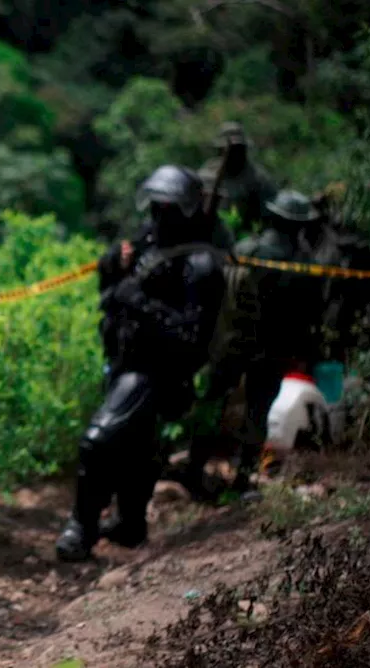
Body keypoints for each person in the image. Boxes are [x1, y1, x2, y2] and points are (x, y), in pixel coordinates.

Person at [56, 165, 227, 563]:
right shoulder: (148, 244)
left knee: (97, 442)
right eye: (155, 205)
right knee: (136, 449)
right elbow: (112, 294)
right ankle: (131, 525)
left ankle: (81, 529)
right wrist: (111, 267)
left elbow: (190, 338)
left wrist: (139, 301)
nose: (157, 215)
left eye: (166, 207)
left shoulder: (200, 264)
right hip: (125, 360)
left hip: (158, 372)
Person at [184, 190, 334, 496]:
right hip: (272, 348)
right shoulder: (304, 263)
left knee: (215, 403)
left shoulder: (247, 249)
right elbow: (313, 311)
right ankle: (243, 476)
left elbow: (221, 297)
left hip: (235, 342)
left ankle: (195, 470)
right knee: (257, 411)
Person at [198, 121, 278, 229]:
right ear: (220, 151)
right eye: (231, 150)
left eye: (239, 149)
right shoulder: (206, 174)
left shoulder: (258, 179)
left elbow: (271, 214)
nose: (235, 155)